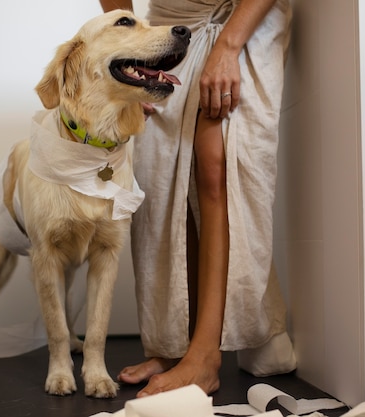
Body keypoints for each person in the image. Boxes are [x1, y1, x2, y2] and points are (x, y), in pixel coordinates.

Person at [98, 0, 297, 396]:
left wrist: (227, 48)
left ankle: (205, 356)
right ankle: (176, 345)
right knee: (164, 180)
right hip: (172, 20)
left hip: (242, 17)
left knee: (215, 164)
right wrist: (129, 48)